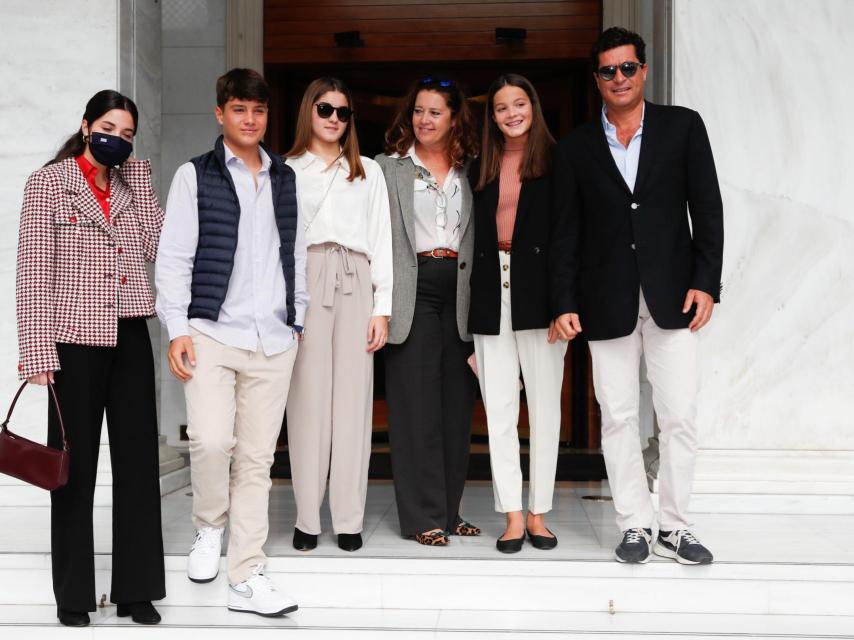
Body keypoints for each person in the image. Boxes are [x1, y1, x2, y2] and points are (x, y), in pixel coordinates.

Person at [554, 27, 723, 564]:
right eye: (608, 71)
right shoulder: (578, 146)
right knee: (619, 415)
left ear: (644, 71)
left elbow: (709, 208)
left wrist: (706, 281)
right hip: (606, 299)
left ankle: (675, 525)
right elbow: (566, 230)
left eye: (628, 68)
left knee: (678, 415)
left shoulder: (682, 127)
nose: (619, 78)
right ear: (597, 79)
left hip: (674, 293)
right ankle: (635, 524)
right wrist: (564, 299)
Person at [155, 68, 307, 615]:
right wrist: (176, 328)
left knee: (256, 460)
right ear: (220, 114)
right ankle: (207, 529)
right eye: (239, 109)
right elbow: (174, 258)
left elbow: (297, 253)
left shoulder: (286, 178)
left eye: (259, 110)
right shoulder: (194, 176)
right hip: (211, 331)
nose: (250, 119)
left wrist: (299, 320)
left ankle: (247, 574)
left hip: (274, 337)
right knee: (213, 442)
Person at [15, 90, 165, 627]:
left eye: (127, 134)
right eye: (108, 128)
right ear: (85, 126)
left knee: (138, 466)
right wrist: (36, 350)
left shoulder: (131, 186)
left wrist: (141, 179)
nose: (116, 140)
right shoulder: (49, 183)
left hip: (129, 335)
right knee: (73, 472)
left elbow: (156, 247)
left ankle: (137, 591)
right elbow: (32, 272)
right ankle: (73, 596)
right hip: (72, 341)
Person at [469, 74, 575, 553]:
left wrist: (564, 304)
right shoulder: (481, 165)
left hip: (542, 296)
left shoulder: (558, 160)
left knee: (546, 410)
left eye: (518, 104)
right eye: (500, 108)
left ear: (533, 106)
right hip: (493, 292)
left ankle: (539, 513)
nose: (511, 114)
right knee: (500, 411)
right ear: (491, 117)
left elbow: (569, 236)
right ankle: (512, 514)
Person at [285, 77, 392, 553]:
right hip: (306, 279)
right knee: (306, 403)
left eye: (343, 112)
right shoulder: (284, 170)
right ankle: (307, 517)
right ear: (309, 110)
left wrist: (382, 307)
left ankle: (349, 517)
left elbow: (382, 239)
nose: (333, 118)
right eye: (325, 108)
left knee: (352, 405)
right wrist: (287, 304)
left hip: (356, 279)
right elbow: (279, 242)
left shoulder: (367, 170)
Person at [375, 77, 480, 546]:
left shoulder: (472, 170)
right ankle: (423, 518)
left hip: (459, 294)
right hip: (410, 291)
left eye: (436, 111)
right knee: (414, 407)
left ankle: (450, 508)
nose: (424, 119)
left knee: (456, 408)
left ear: (454, 118)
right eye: (418, 110)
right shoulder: (387, 168)